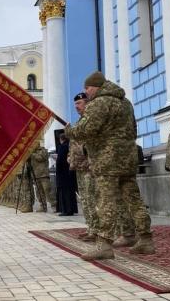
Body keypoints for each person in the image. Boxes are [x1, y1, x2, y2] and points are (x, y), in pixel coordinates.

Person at [65, 71, 155, 260]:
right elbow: (134, 129)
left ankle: (104, 244)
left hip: (107, 160)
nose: (86, 92)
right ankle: (146, 239)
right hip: (127, 158)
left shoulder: (99, 103)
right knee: (134, 199)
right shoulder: (126, 103)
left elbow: (86, 130)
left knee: (106, 201)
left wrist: (70, 131)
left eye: (87, 88)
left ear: (96, 86)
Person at [68, 93, 97, 241]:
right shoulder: (80, 122)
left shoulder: (90, 121)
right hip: (79, 167)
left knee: (91, 199)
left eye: (79, 103)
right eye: (75, 104)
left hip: (89, 167)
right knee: (85, 200)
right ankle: (90, 227)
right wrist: (70, 157)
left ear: (87, 103)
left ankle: (96, 230)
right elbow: (74, 144)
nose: (76, 107)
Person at [56, 134, 78, 216]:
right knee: (71, 192)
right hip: (70, 173)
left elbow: (60, 161)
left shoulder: (62, 147)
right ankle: (72, 209)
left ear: (61, 139)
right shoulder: (70, 146)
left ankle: (66, 210)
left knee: (65, 193)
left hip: (63, 174)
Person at [31, 144, 56, 212]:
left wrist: (32, 154)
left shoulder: (42, 150)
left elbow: (41, 158)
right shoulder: (32, 152)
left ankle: (54, 205)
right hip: (36, 175)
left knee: (47, 190)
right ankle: (43, 206)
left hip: (43, 174)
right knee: (39, 192)